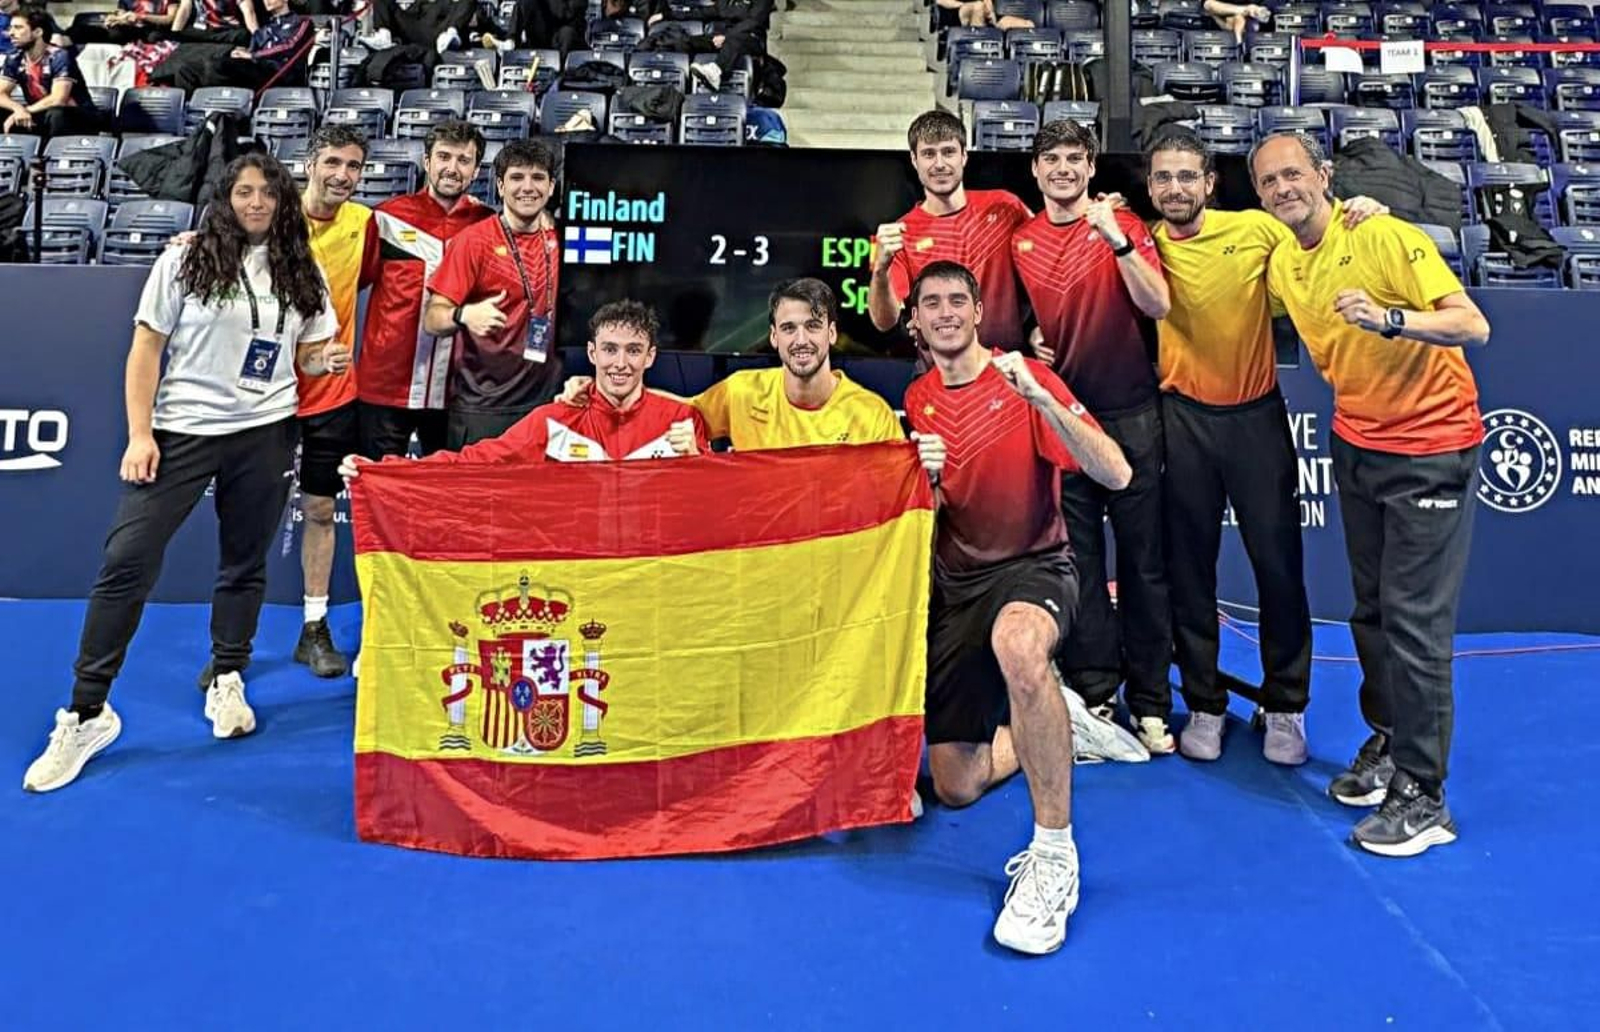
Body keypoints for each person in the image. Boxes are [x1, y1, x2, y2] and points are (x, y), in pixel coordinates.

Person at [22, 153, 343, 794]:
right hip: (182, 432)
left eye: (267, 193)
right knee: (126, 560)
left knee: (244, 562)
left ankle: (228, 676)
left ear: (282, 202)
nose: (256, 203)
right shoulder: (184, 259)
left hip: (266, 431)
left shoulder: (300, 267)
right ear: (225, 198)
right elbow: (147, 347)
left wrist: (321, 358)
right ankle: (87, 712)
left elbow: (305, 349)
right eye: (243, 192)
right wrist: (141, 434)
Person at [1251, 131, 1491, 857]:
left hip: (1433, 448)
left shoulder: (1382, 234)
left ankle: (1425, 795)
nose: (1283, 188)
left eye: (1293, 173)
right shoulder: (1287, 263)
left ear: (1322, 176)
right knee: (1374, 615)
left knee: (1417, 628)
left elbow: (1470, 324)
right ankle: (1389, 741)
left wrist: (1390, 319)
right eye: (1268, 182)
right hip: (1360, 445)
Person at [903, 260, 1132, 954]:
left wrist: (1042, 399)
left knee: (1020, 647)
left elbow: (1115, 471)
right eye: (931, 304)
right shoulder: (918, 399)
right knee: (956, 785)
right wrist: (930, 481)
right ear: (916, 322)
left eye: (956, 302)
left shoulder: (1021, 378)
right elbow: (933, 513)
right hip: (958, 584)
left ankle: (1054, 856)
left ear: (979, 312)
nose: (944, 313)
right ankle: (1064, 727)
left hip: (1036, 566)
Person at [1011, 118, 1172, 760]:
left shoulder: (1121, 226)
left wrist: (1120, 245)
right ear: (1036, 171)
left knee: (1144, 564)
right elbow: (1023, 318)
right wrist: (1028, 341)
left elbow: (1158, 305)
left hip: (1133, 414)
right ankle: (1096, 693)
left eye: (1074, 159)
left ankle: (1155, 701)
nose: (1063, 170)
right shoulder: (1021, 240)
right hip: (1066, 423)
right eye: (1051, 160)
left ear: (1090, 166)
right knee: (1079, 565)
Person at [341, 300, 707, 480]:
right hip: (578, 572)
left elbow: (717, 501)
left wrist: (697, 461)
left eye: (633, 351)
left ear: (651, 357)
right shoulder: (554, 420)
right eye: (610, 349)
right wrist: (383, 471)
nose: (620, 363)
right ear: (593, 353)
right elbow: (477, 462)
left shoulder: (680, 421)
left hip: (653, 573)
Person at [560, 278, 903, 450]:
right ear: (773, 337)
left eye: (812, 327)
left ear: (831, 333)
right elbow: (674, 412)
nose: (800, 340)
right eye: (788, 328)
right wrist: (596, 389)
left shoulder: (872, 415)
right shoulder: (742, 391)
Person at [290, 125, 378, 679]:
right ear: (309, 164)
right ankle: (232, 643)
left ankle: (314, 626)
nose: (342, 175)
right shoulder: (272, 219)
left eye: (353, 167)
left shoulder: (365, 225)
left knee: (322, 510)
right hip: (264, 399)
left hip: (331, 395)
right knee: (246, 521)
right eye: (332, 163)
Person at [359, 120, 495, 462]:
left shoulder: (487, 225)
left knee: (446, 503)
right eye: (444, 157)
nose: (452, 168)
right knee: (377, 498)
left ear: (477, 169)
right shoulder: (387, 218)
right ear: (426, 161)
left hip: (456, 392)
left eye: (464, 160)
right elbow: (348, 284)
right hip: (384, 386)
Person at [423, 138, 562, 450]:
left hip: (547, 402)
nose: (528, 187)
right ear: (500, 186)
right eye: (516, 178)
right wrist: (464, 315)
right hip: (483, 406)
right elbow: (432, 319)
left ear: (551, 187)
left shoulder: (564, 238)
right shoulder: (474, 241)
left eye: (538, 178)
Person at [870, 110, 1031, 354]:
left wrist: (1039, 328)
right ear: (914, 160)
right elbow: (884, 322)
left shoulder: (1006, 207)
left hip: (1005, 371)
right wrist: (880, 270)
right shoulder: (900, 234)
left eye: (948, 152)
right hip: (937, 374)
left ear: (964, 156)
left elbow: (1052, 249)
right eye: (928, 154)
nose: (940, 164)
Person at [0, 5, 101, 142]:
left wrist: (26, 110)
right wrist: (18, 109)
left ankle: (55, 160)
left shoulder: (60, 56)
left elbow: (58, 98)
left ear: (37, 32)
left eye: (18, 28)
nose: (11, 33)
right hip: (40, 112)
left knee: (57, 113)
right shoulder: (14, 57)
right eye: (11, 28)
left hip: (77, 116)